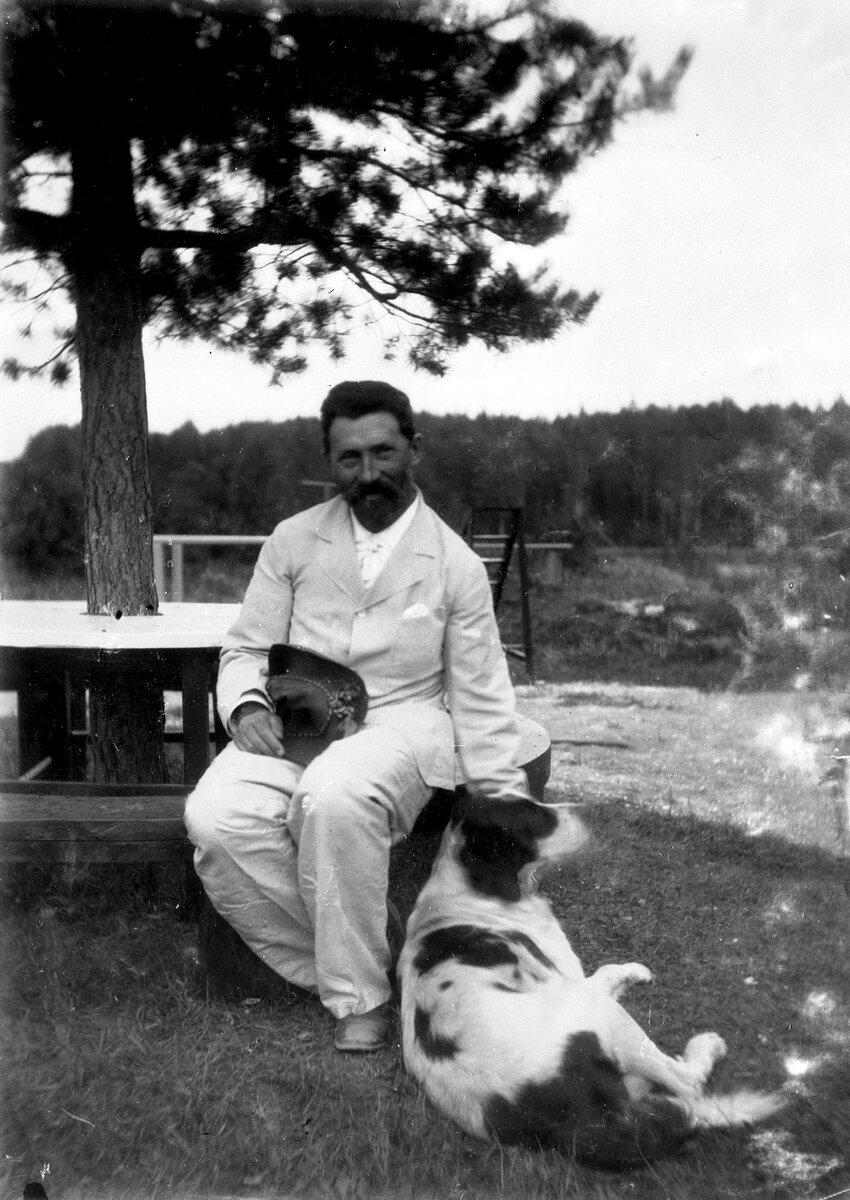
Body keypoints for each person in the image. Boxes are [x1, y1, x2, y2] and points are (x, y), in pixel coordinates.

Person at [184, 380, 531, 1052]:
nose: (368, 474)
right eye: (349, 459)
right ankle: (379, 951)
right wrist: (248, 703)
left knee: (334, 794)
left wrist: (500, 789)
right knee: (215, 818)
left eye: (383, 453)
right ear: (328, 460)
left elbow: (484, 689)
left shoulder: (454, 565)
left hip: (405, 723)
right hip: (298, 720)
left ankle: (359, 1000)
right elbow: (248, 646)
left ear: (415, 448)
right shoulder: (292, 541)